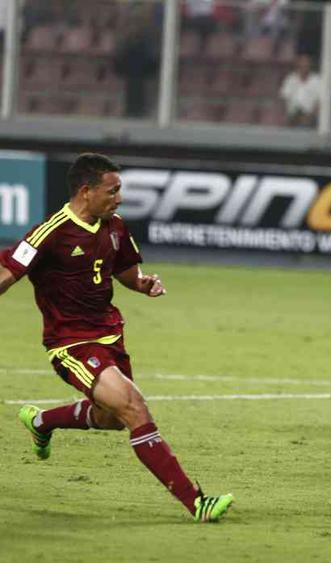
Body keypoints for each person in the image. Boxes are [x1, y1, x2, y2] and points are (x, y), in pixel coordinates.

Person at [0, 153, 234, 522]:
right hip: (71, 343)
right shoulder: (50, 232)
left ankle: (42, 421)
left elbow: (124, 270)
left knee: (110, 418)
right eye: (113, 190)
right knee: (134, 408)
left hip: (111, 336)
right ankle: (197, 502)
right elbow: (8, 273)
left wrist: (143, 285)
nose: (119, 198)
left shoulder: (115, 226)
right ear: (86, 191)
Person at [279, 54, 321, 128]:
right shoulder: (290, 79)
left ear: (310, 66)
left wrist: (310, 116)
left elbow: (319, 102)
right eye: (302, 65)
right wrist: (286, 115)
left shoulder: (317, 80)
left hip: (310, 118)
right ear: (297, 65)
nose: (304, 67)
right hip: (292, 117)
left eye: (306, 65)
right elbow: (284, 98)